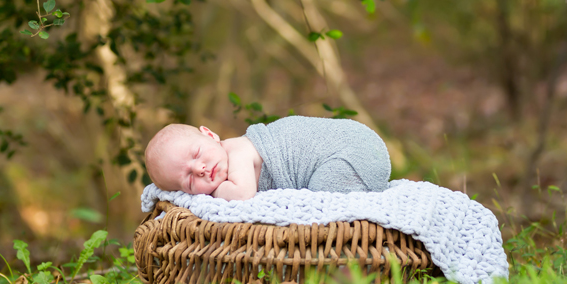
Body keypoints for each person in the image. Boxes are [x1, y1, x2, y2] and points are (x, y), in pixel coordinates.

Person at [144, 116, 391, 201]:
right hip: (353, 152)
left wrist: (215, 192)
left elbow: (242, 195)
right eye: (188, 181)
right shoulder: (225, 159)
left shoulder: (238, 151)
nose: (199, 169)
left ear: (210, 134)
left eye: (197, 154)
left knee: (324, 204)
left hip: (353, 153)